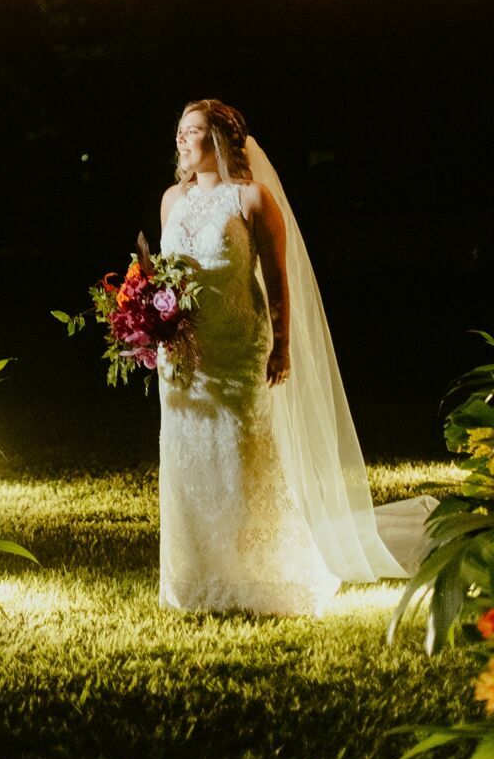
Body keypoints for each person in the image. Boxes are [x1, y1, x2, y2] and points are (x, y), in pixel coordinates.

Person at [157, 99, 432, 615]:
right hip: (183, 359)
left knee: (239, 458)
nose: (181, 139)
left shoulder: (252, 199)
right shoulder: (172, 200)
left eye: (192, 131)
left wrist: (282, 344)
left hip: (238, 346)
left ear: (218, 140)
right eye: (178, 131)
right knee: (186, 460)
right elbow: (162, 278)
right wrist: (149, 321)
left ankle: (256, 572)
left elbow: (278, 282)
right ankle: (197, 577)